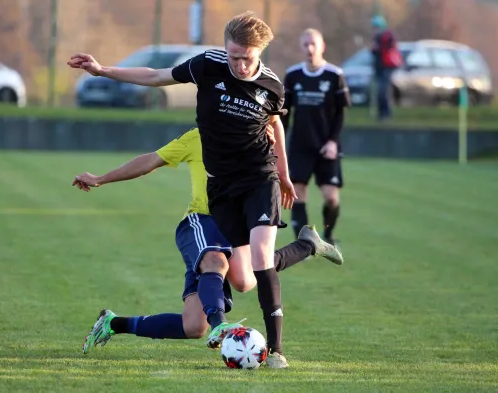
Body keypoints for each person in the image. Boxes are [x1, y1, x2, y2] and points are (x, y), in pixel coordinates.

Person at [68, 11, 308, 368]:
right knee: (196, 320)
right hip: (212, 208)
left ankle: (275, 350)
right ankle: (202, 325)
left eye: (248, 58)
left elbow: (275, 121)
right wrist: (104, 71)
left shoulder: (273, 86)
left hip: (259, 178)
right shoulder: (203, 89)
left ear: (261, 52)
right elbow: (155, 79)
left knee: (249, 274)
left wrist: (285, 173)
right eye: (233, 57)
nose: (240, 65)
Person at [74, 127, 343, 365]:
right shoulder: (197, 137)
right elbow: (150, 160)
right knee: (216, 261)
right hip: (202, 220)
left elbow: (275, 119)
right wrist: (100, 178)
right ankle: (219, 325)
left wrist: (280, 170)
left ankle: (112, 323)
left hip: (235, 227)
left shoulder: (255, 136)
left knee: (198, 321)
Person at [282, 28, 351, 246]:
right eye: (305, 44)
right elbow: (284, 113)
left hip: (326, 146)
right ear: (301, 47)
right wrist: (280, 143)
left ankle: (328, 236)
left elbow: (341, 113)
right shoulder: (293, 75)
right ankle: (303, 245)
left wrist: (332, 141)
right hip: (300, 147)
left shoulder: (334, 75)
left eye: (313, 44)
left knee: (331, 197)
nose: (309, 49)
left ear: (322, 47)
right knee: (298, 193)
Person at [370, 15, 401, 121]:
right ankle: (381, 113)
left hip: (387, 66)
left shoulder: (387, 36)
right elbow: (374, 52)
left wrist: (378, 48)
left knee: (383, 90)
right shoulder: (376, 37)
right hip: (379, 66)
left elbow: (391, 48)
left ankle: (386, 113)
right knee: (380, 90)